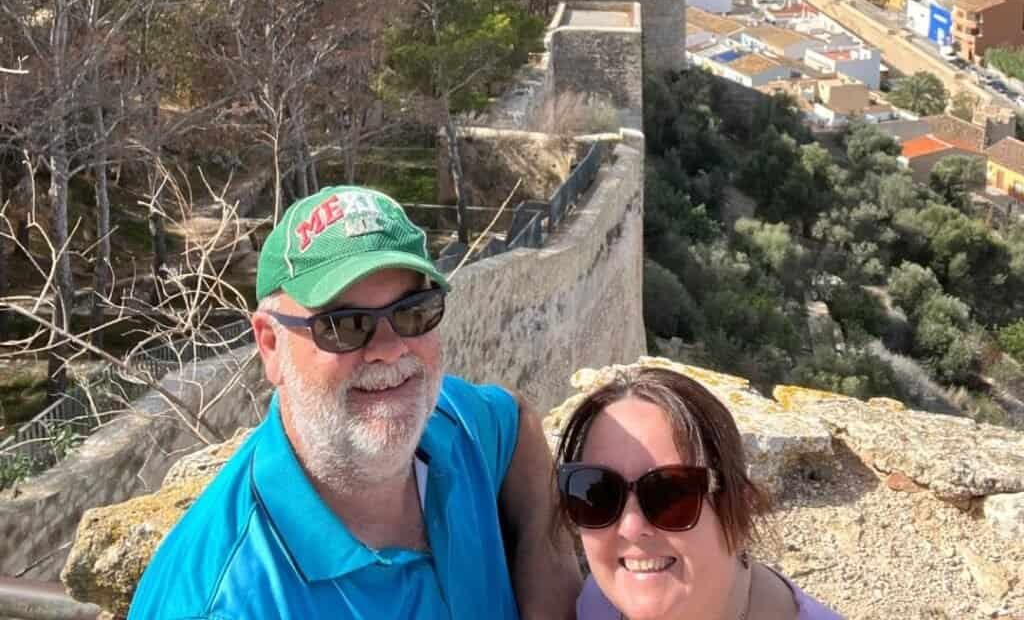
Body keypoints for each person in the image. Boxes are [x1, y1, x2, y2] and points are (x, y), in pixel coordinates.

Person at [129, 185, 580, 620]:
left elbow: (516, 421)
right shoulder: (225, 602)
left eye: (413, 311)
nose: (389, 347)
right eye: (343, 325)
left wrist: (550, 588)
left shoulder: (450, 426)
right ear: (270, 344)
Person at [555, 366, 843, 620]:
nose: (630, 528)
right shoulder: (597, 603)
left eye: (669, 495)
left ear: (741, 507)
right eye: (599, 494)